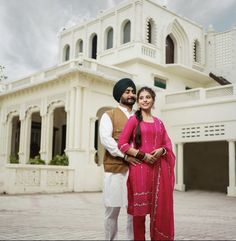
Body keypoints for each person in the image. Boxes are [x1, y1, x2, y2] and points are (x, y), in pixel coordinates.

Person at [118, 86, 175, 241]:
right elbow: (122, 144)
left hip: (158, 172)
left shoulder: (159, 123)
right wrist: (143, 156)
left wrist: (162, 151)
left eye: (148, 97)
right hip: (140, 171)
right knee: (140, 215)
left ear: (153, 100)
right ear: (138, 101)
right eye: (141, 98)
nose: (144, 100)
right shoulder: (133, 120)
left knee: (158, 211)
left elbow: (167, 145)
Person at [99, 78, 141, 240]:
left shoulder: (139, 117)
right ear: (119, 95)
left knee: (133, 211)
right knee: (112, 210)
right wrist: (125, 155)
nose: (131, 95)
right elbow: (106, 140)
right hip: (115, 170)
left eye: (133, 91)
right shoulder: (109, 115)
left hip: (137, 170)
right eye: (127, 91)